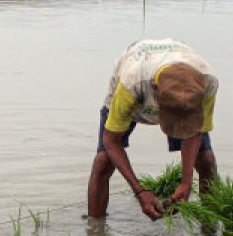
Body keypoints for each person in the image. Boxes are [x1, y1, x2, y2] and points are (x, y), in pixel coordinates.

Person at [86, 39, 218, 220]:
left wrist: (186, 182)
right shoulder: (132, 81)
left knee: (206, 159)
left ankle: (210, 230)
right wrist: (140, 191)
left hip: (168, 85)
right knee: (103, 160)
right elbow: (111, 140)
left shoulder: (208, 82)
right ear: (155, 91)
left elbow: (195, 132)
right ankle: (95, 233)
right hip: (136, 85)